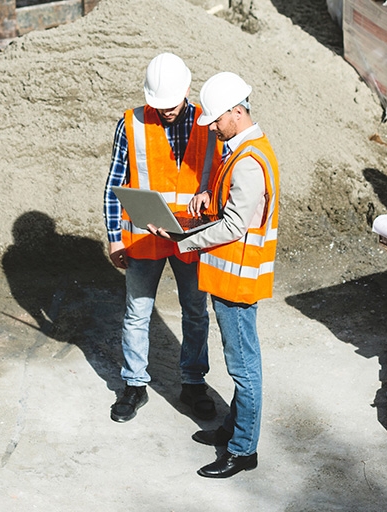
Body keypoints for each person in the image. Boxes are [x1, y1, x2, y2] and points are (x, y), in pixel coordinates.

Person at [148, 71, 279, 479]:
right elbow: (229, 208)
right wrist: (207, 196)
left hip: (237, 279)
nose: (212, 128)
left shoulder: (249, 162)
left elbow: (235, 225)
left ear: (237, 113)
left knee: (243, 367)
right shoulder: (242, 151)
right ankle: (233, 430)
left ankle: (243, 450)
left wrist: (182, 239)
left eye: (217, 121)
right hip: (229, 274)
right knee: (242, 363)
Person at [102, 52, 222, 423]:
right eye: (160, 104)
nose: (166, 110)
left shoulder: (210, 121)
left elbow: (221, 177)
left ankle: (193, 382)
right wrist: (114, 238)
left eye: (171, 103)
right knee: (137, 313)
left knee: (195, 313)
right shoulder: (131, 123)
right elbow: (115, 184)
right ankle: (134, 385)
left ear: (187, 89)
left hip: (191, 235)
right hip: (143, 236)